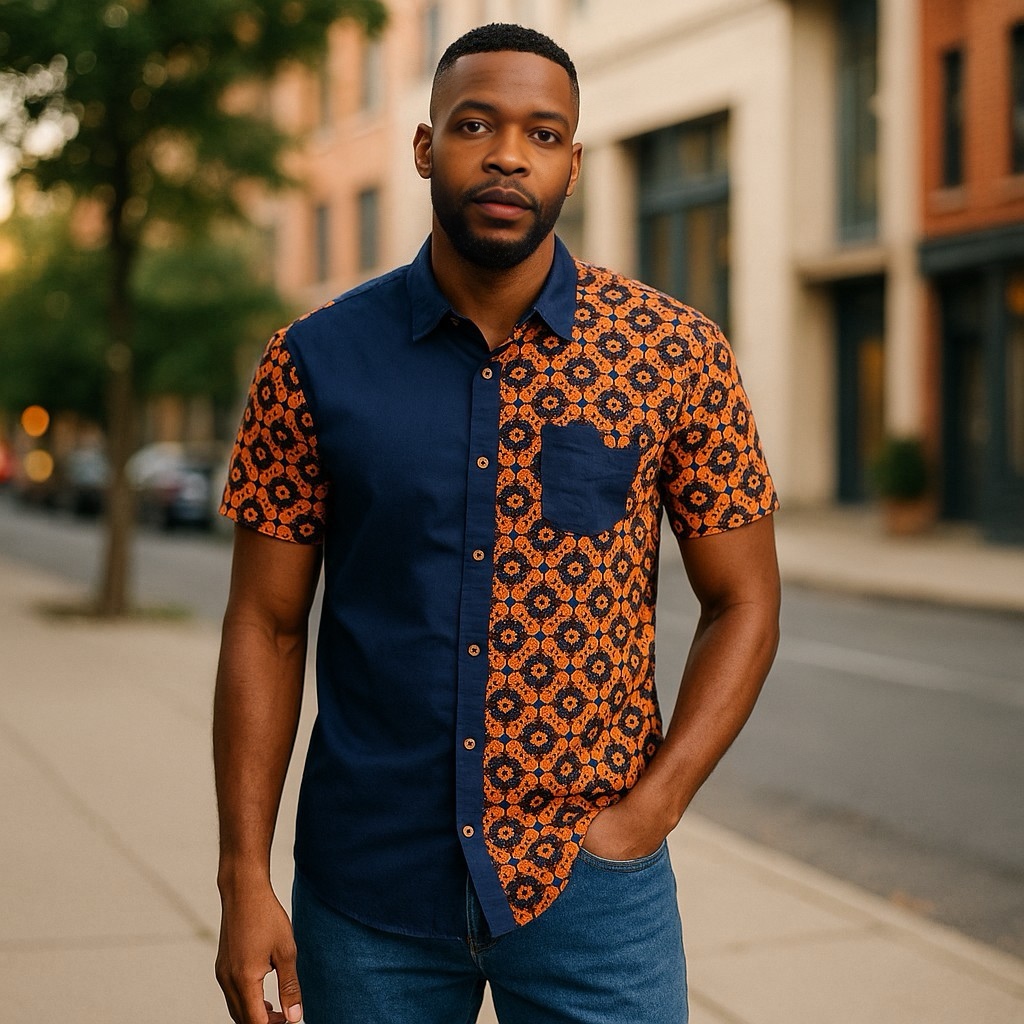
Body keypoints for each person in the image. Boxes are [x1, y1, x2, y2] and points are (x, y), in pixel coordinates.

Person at [214, 22, 780, 1024]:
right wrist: (241, 875)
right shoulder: (311, 361)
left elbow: (743, 598)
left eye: (544, 132)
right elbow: (264, 624)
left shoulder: (673, 353)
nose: (509, 152)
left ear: (574, 161)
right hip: (366, 891)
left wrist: (651, 810)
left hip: (593, 889)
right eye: (476, 124)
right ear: (427, 148)